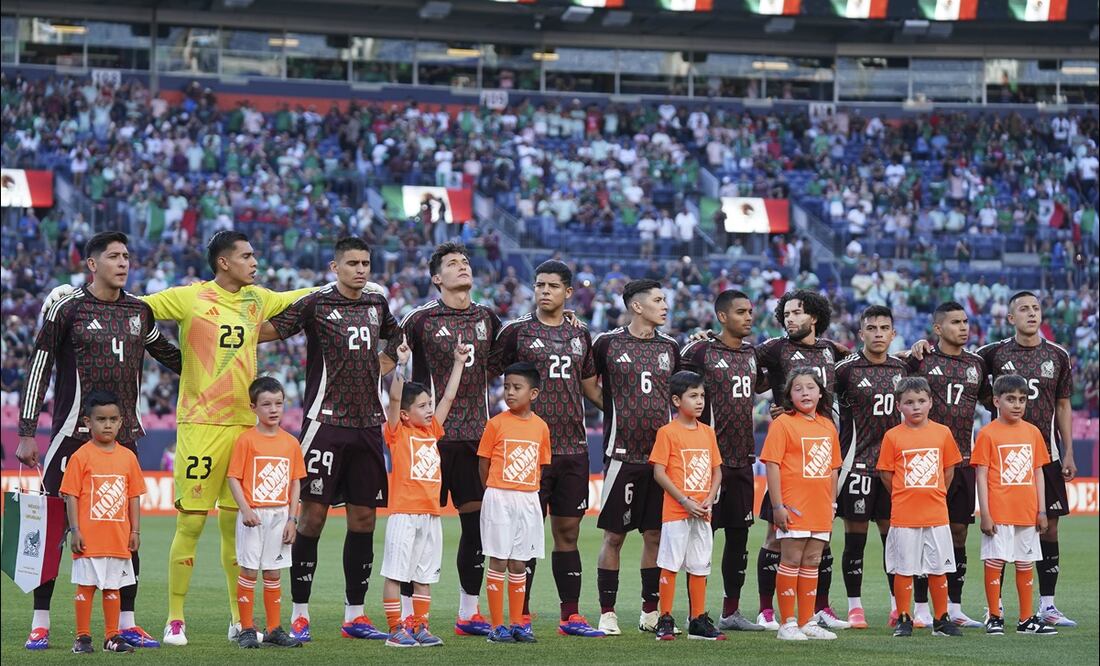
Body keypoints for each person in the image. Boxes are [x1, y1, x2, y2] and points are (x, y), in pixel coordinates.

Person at [138, 231, 315, 646]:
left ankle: (241, 620)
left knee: (238, 529)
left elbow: (298, 296)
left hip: (243, 426)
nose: (255, 263)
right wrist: (164, 351)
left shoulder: (257, 299)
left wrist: (336, 286)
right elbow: (136, 309)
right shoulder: (188, 298)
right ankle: (175, 618)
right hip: (200, 426)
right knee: (192, 522)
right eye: (247, 256)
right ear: (224, 262)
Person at [17, 231, 181, 651]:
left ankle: (125, 623)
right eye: (113, 256)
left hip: (123, 439)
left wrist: (217, 359)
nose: (123, 262)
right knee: (56, 527)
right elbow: (40, 365)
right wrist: (27, 430)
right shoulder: (67, 309)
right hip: (71, 436)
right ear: (93, 264)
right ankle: (40, 622)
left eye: (127, 256)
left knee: (124, 529)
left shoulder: (138, 312)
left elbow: (171, 355)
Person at [261, 237, 401, 642]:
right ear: (334, 266)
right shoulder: (315, 303)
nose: (361, 269)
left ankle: (354, 615)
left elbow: (396, 338)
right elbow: (272, 330)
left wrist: (382, 364)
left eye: (366, 263)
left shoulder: (377, 304)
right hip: (325, 423)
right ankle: (300, 613)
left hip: (368, 425)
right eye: (353, 263)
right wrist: (235, 330)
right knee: (312, 517)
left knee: (364, 518)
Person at [384, 242, 501, 635]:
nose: (462, 267)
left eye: (465, 261)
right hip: (428, 440)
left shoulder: (488, 317)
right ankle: (405, 617)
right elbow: (389, 359)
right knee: (414, 527)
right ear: (437, 278)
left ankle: (469, 612)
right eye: (452, 263)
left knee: (475, 527)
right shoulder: (419, 319)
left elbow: (507, 356)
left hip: (475, 437)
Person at [488, 260, 605, 637]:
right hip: (526, 448)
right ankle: (519, 615)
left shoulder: (580, 334)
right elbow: (486, 370)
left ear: (568, 292)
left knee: (567, 532)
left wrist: (627, 415)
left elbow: (590, 386)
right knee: (525, 534)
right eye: (539, 285)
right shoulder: (517, 333)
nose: (545, 291)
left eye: (553, 286)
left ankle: (570, 615)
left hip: (572, 447)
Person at [975, 291, 1076, 627]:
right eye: (1024, 309)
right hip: (1003, 456)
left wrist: (1068, 451)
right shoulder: (992, 353)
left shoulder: (1058, 355)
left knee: (1048, 528)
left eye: (1036, 308)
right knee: (999, 534)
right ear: (1010, 318)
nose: (1031, 313)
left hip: (1044, 452)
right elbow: (961, 367)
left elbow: (1063, 405)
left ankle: (1047, 605)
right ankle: (995, 609)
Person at [754, 290, 851, 631]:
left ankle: (817, 610)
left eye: (798, 312)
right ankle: (768, 611)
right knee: (775, 540)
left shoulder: (829, 350)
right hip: (792, 450)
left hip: (821, 445)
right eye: (787, 313)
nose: (790, 318)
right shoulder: (775, 347)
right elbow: (744, 361)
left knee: (817, 546)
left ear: (815, 317)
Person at [591, 279, 682, 636]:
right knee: (614, 536)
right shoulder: (608, 343)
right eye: (659, 300)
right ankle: (607, 612)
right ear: (637, 306)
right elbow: (587, 381)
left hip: (660, 459)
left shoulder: (671, 347)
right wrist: (614, 409)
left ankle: (650, 610)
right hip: (621, 455)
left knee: (655, 536)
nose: (665, 306)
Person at [679, 290, 764, 632]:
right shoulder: (700, 350)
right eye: (741, 312)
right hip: (706, 462)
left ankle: (732, 611)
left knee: (740, 536)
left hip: (742, 459)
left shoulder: (753, 354)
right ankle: (694, 612)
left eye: (751, 311)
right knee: (701, 537)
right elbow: (674, 386)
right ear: (722, 317)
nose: (749, 317)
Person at [904, 302, 992, 628]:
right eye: (955, 322)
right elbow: (887, 363)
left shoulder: (977, 364)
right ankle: (922, 606)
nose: (964, 327)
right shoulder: (922, 360)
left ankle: (954, 607)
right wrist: (910, 348)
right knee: (925, 535)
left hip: (964, 461)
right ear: (938, 329)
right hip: (926, 462)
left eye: (966, 321)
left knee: (957, 534)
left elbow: (989, 399)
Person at [380, 336, 470, 648]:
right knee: (395, 574)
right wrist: (401, 365)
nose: (430, 409)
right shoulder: (397, 432)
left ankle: (420, 626)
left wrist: (459, 363)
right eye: (422, 406)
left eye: (428, 404)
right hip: (404, 513)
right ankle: (395, 630)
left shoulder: (432, 430)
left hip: (431, 514)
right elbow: (393, 400)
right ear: (405, 414)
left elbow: (448, 398)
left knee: (424, 576)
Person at [834, 306, 907, 629]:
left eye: (884, 328)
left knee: (893, 540)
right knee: (855, 540)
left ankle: (897, 606)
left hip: (893, 469)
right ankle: (854, 607)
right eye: (872, 328)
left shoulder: (904, 370)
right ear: (860, 334)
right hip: (857, 466)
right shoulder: (845, 370)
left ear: (893, 334)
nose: (878, 334)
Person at [875, 377, 964, 638]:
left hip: (936, 513)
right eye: (909, 402)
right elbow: (886, 475)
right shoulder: (892, 436)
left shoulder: (943, 433)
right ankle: (904, 617)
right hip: (904, 515)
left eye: (921, 401)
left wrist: (935, 493)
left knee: (939, 568)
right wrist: (904, 495)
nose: (916, 407)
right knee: (905, 568)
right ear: (899, 406)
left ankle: (941, 618)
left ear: (931, 403)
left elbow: (949, 469)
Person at [759, 368, 842, 641]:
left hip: (820, 507)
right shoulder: (783, 424)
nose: (805, 392)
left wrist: (831, 504)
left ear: (821, 392)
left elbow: (833, 469)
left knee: (813, 561)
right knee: (791, 560)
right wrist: (777, 506)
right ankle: (788, 623)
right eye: (798, 389)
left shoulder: (828, 426)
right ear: (789, 396)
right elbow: (772, 465)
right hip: (793, 505)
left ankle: (807, 621)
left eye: (810, 387)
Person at [972, 374, 1058, 636]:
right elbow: (982, 475)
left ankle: (1026, 619)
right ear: (997, 401)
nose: (1017, 405)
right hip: (999, 512)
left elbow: (1037, 472)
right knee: (995, 561)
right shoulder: (987, 434)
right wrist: (985, 513)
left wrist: (1042, 510)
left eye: (1022, 399)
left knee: (1025, 563)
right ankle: (995, 616)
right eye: (1011, 399)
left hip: (1027, 511)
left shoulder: (1032, 432)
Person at [59, 390, 145, 654]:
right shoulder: (81, 457)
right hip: (89, 537)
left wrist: (135, 530)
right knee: (86, 586)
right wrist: (75, 530)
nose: (107, 424)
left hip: (118, 537)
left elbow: (133, 497)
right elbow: (71, 496)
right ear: (88, 422)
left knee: (113, 587)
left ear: (121, 422)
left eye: (113, 419)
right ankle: (82, 637)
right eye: (101, 419)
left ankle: (112, 636)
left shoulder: (128, 458)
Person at [225, 377, 306, 649]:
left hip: (280, 515)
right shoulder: (246, 440)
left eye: (279, 403)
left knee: (273, 573)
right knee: (249, 570)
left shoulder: (291, 443)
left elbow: (296, 482)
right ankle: (246, 629)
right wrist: (245, 508)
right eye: (266, 404)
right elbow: (233, 478)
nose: (273, 409)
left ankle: (274, 629)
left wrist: (293, 518)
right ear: (253, 407)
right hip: (254, 516)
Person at [477, 362, 552, 643]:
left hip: (528, 498)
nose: (509, 392)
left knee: (519, 562)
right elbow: (483, 463)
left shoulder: (541, 427)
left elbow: (541, 466)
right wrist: (496, 489)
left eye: (516, 388)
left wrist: (525, 490)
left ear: (533, 394)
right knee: (498, 559)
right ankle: (497, 626)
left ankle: (518, 623)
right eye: (506, 386)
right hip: (499, 495)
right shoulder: (495, 424)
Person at [649, 371, 725, 642]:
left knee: (699, 565)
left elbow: (717, 471)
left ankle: (698, 619)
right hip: (677, 512)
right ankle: (665, 618)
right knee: (670, 563)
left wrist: (709, 498)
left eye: (702, 396)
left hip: (703, 512)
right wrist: (684, 500)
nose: (699, 401)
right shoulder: (667, 432)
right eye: (693, 396)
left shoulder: (708, 432)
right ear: (676, 400)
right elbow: (659, 472)